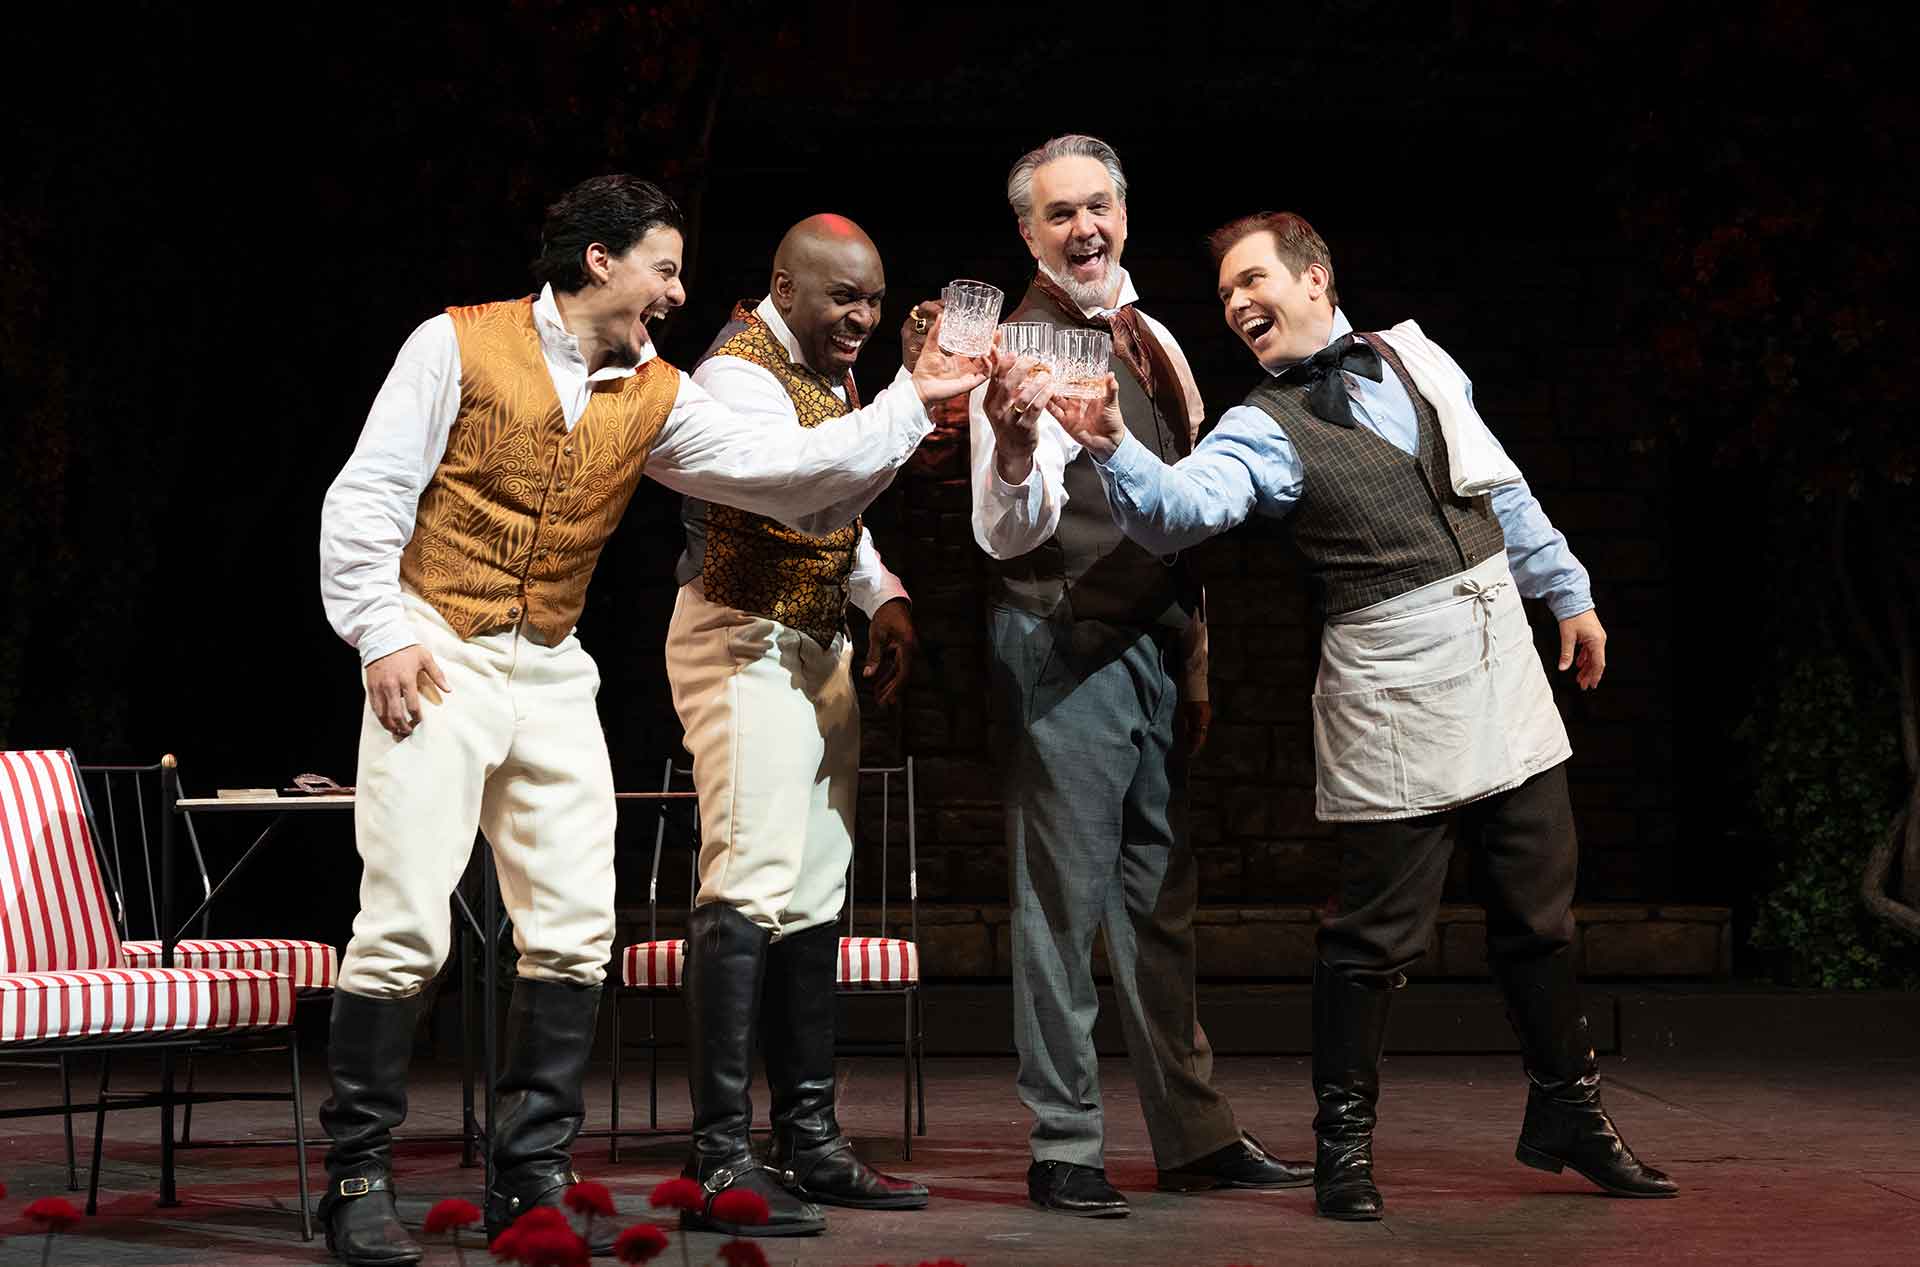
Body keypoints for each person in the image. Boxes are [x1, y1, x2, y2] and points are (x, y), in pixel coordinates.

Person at [316, 175, 988, 1265]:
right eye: (664, 269)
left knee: (579, 922)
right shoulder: (454, 346)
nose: (677, 294)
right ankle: (356, 1174)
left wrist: (912, 398)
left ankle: (529, 1175)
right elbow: (370, 493)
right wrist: (379, 629)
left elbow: (787, 475)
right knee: (406, 920)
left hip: (549, 664)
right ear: (599, 261)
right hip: (437, 648)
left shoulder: (658, 391)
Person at [1053, 209, 1679, 1220]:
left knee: (1540, 916)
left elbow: (1498, 483)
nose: (1238, 304)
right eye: (1225, 296)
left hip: (1500, 665)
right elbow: (1176, 511)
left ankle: (1567, 1111)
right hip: (1393, 682)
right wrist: (1115, 444)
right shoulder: (1260, 425)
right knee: (1374, 936)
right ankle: (1343, 1143)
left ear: (1315, 279)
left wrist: (1568, 590)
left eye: (1254, 280)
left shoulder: (1417, 357)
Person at [910, 135, 1311, 1220]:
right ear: (1029, 235)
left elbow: (1183, 511)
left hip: (1150, 640)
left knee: (1158, 904)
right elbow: (1016, 526)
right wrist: (1006, 441)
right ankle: (1064, 1143)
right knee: (1060, 904)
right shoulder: (1015, 346)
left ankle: (1193, 1132)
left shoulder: (1154, 335)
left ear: (1123, 214)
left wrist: (1197, 654)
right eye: (1060, 215)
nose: (1084, 228)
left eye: (1099, 207)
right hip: (1058, 632)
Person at [667, 214, 932, 1238]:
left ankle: (807, 1139)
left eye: (872, 299)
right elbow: (801, 480)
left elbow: (835, 510)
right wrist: (922, 392)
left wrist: (881, 592)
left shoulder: (822, 366)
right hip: (740, 641)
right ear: (784, 282)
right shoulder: (735, 374)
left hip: (811, 645)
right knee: (747, 880)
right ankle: (718, 1158)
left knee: (814, 884)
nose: (861, 319)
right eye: (842, 299)